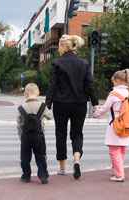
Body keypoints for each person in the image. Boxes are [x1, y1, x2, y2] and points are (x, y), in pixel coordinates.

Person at [46, 34, 99, 179]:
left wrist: (47, 105)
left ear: (63, 47)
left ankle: (62, 168)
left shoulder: (57, 63)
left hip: (61, 104)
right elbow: (90, 85)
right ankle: (77, 160)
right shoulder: (84, 63)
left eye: (59, 47)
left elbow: (52, 85)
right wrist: (95, 103)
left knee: (60, 134)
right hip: (80, 104)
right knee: (77, 134)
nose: (58, 50)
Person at [92, 69, 129, 182]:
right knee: (122, 148)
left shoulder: (114, 94)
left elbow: (104, 109)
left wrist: (95, 113)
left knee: (114, 149)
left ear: (116, 80)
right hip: (128, 123)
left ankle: (119, 174)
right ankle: (118, 168)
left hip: (115, 123)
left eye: (113, 81)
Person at [17, 83, 52, 184]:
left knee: (25, 158)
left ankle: (26, 176)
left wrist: (21, 137)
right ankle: (42, 174)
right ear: (38, 94)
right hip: (39, 137)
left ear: (25, 94)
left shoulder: (21, 108)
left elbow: (19, 124)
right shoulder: (42, 106)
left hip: (25, 138)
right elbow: (50, 117)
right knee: (41, 156)